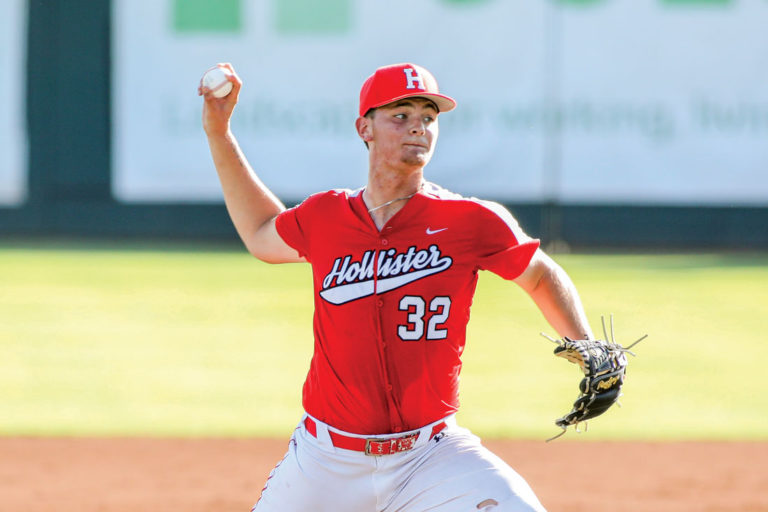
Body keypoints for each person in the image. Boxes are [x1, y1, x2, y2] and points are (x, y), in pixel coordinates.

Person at [199, 62, 595, 512]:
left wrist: (586, 344)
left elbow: (540, 273)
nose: (418, 128)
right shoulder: (325, 217)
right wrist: (219, 132)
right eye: (400, 115)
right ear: (364, 128)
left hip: (431, 455)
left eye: (428, 117)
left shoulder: (471, 220)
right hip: (325, 461)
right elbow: (262, 232)